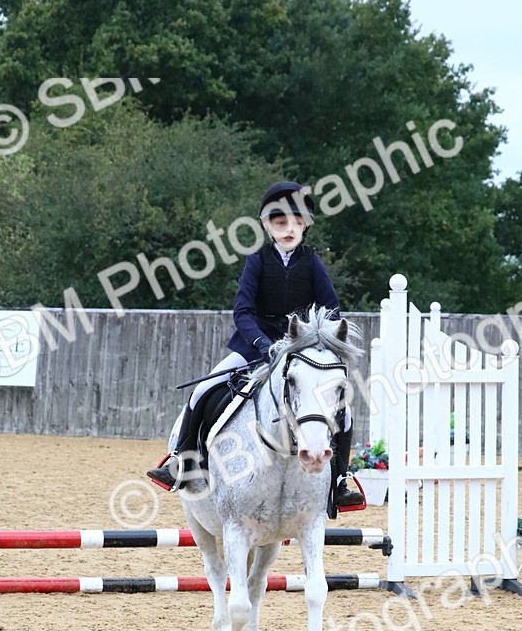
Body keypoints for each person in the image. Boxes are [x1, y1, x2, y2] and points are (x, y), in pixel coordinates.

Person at [147, 181, 363, 509]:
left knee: (343, 411)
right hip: (255, 346)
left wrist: (319, 340)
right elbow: (242, 311)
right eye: (279, 223)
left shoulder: (312, 262)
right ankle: (183, 460)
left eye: (295, 222)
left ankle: (339, 480)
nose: (288, 228)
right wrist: (262, 344)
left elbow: (331, 310)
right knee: (202, 392)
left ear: (305, 225)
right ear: (267, 226)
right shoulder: (257, 261)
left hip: (300, 352)